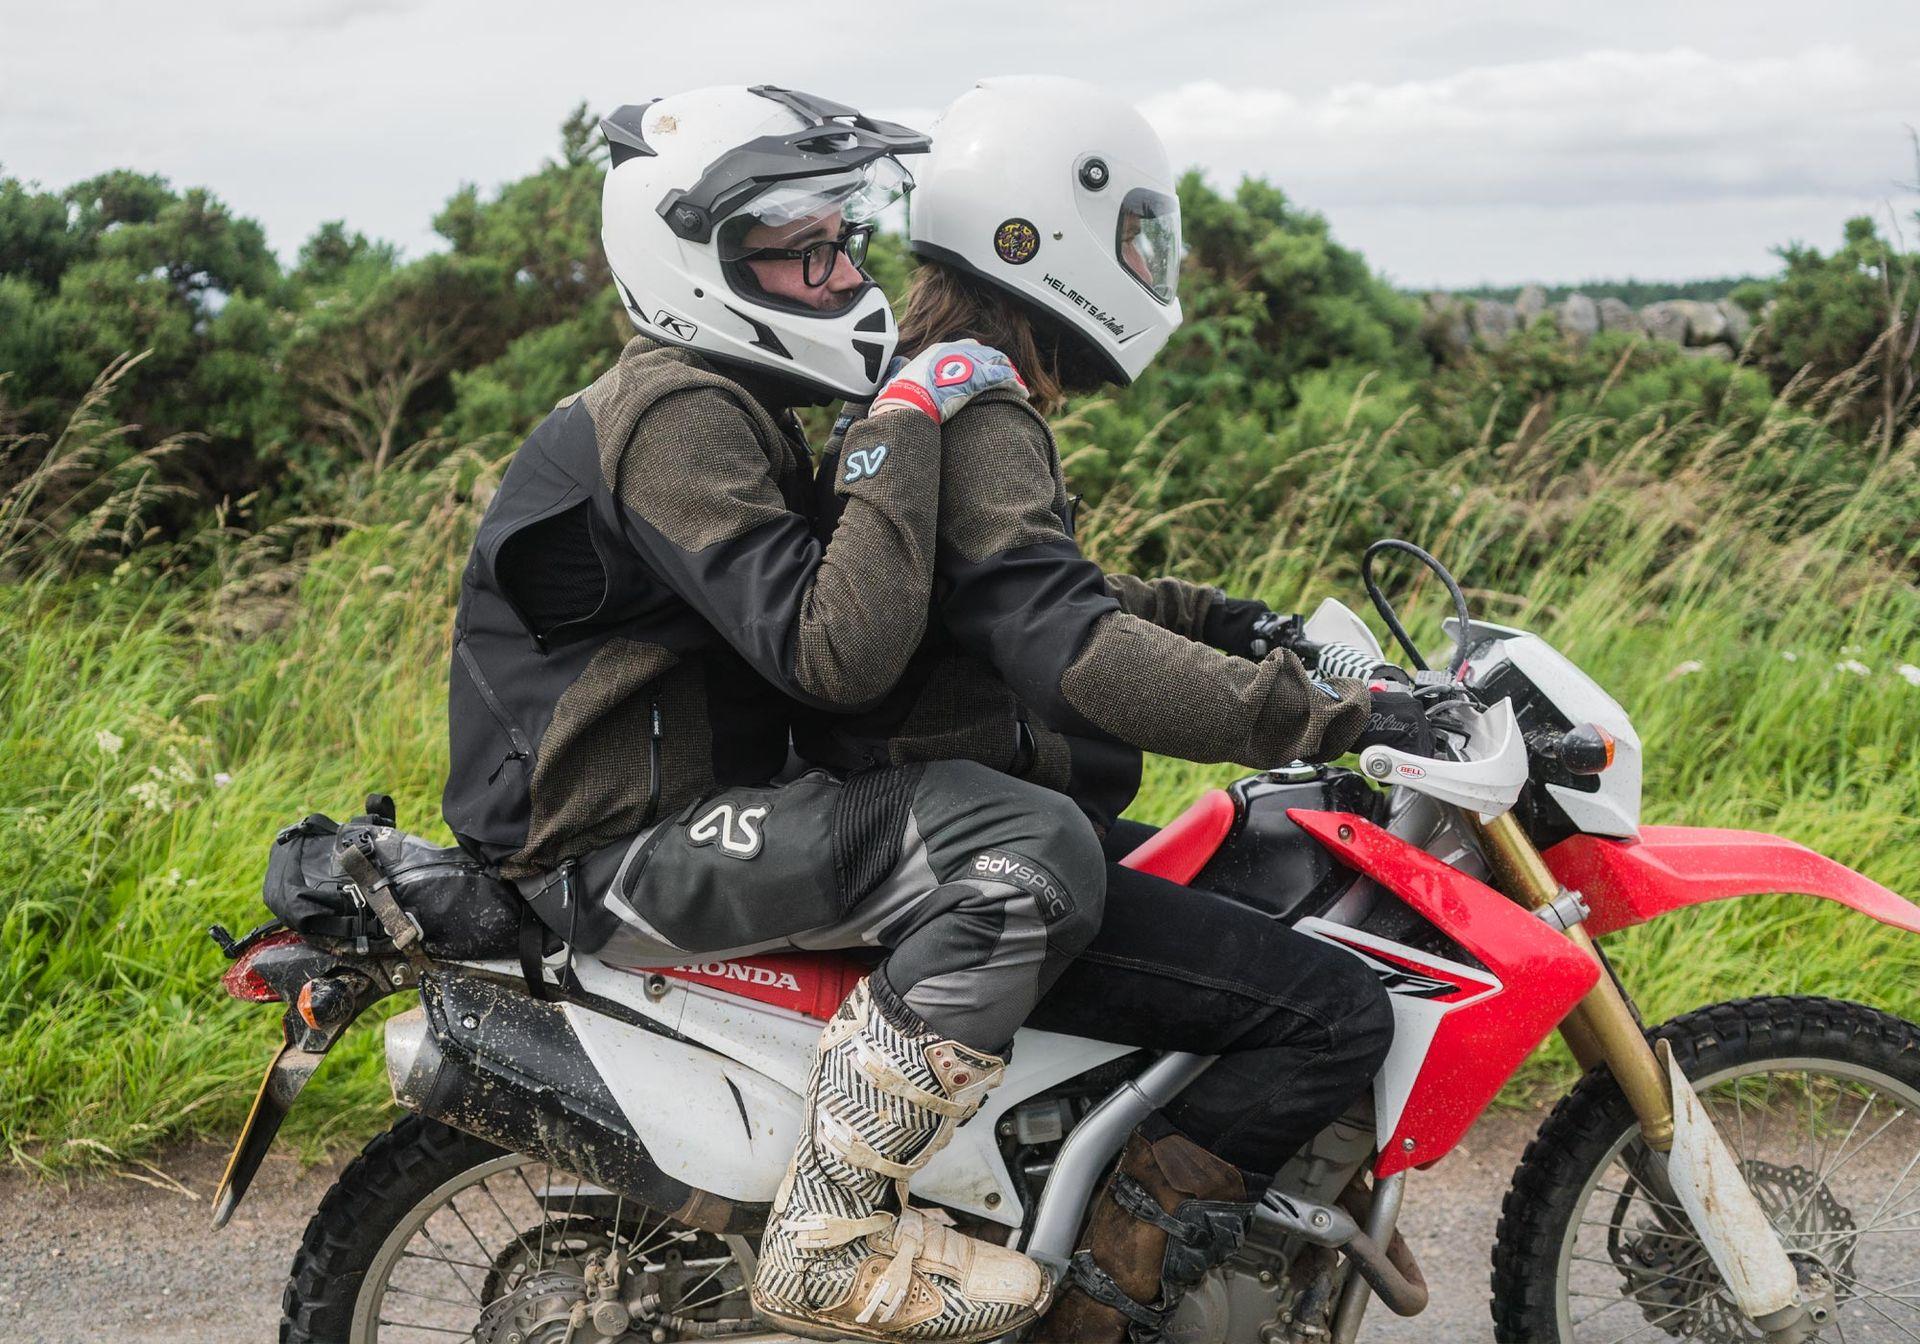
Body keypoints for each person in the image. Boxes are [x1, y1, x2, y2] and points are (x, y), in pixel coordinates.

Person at [441, 85, 1099, 1343]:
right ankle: (831, 1232)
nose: (842, 272)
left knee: (1036, 805)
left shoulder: (732, 400)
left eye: (844, 238)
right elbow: (834, 650)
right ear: (691, 257)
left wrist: (1224, 632)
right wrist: (904, 420)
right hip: (609, 850)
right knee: (1023, 848)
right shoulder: (681, 415)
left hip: (683, 810)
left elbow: (909, 592)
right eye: (799, 250)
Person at [801, 77, 1423, 1343]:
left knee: (1256, 905)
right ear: (1043, 230)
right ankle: (1111, 1283)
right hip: (965, 845)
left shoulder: (955, 384)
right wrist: (1314, 717)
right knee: (1335, 1011)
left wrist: (1235, 619)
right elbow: (1065, 644)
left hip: (958, 816)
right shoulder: (976, 408)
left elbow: (1031, 589)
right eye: (1138, 234)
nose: (1150, 263)